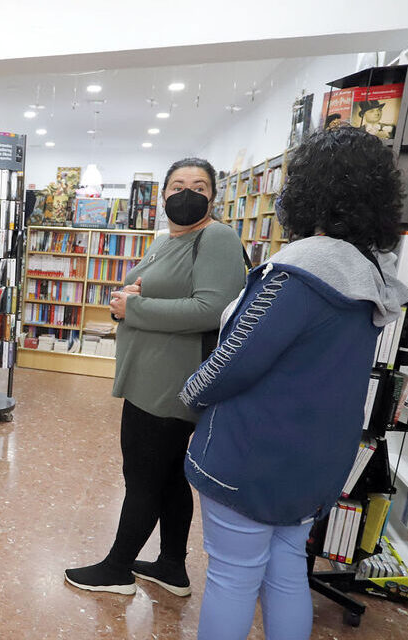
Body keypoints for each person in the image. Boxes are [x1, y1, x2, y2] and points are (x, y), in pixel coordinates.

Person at [179, 126, 408, 640]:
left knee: (232, 577)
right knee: (284, 569)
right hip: (316, 459)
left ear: (307, 191)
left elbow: (234, 360)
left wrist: (191, 393)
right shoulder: (367, 275)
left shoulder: (299, 272)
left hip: (253, 456)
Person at [64, 158, 247, 596]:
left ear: (213, 197)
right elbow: (162, 289)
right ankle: (171, 566)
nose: (188, 193)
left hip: (171, 383)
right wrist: (127, 298)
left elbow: (211, 309)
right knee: (165, 475)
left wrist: (136, 308)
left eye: (199, 186)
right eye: (178, 185)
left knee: (143, 475)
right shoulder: (169, 240)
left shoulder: (217, 237)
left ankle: (118, 568)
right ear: (163, 194)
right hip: (152, 376)